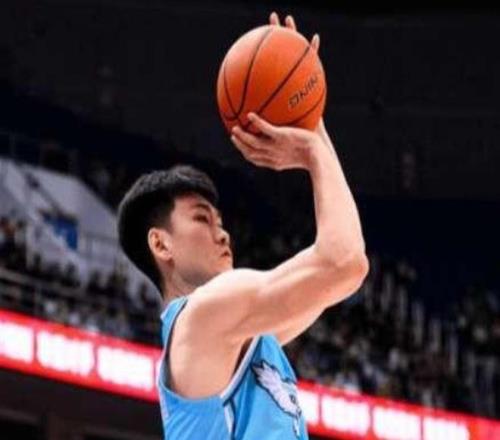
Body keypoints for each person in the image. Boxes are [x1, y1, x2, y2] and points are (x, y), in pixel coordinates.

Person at [117, 12, 368, 440]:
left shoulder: (239, 335)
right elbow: (344, 262)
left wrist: (310, 119)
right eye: (202, 218)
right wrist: (312, 150)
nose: (223, 233)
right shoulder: (203, 317)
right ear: (161, 244)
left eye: (220, 220)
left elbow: (339, 275)